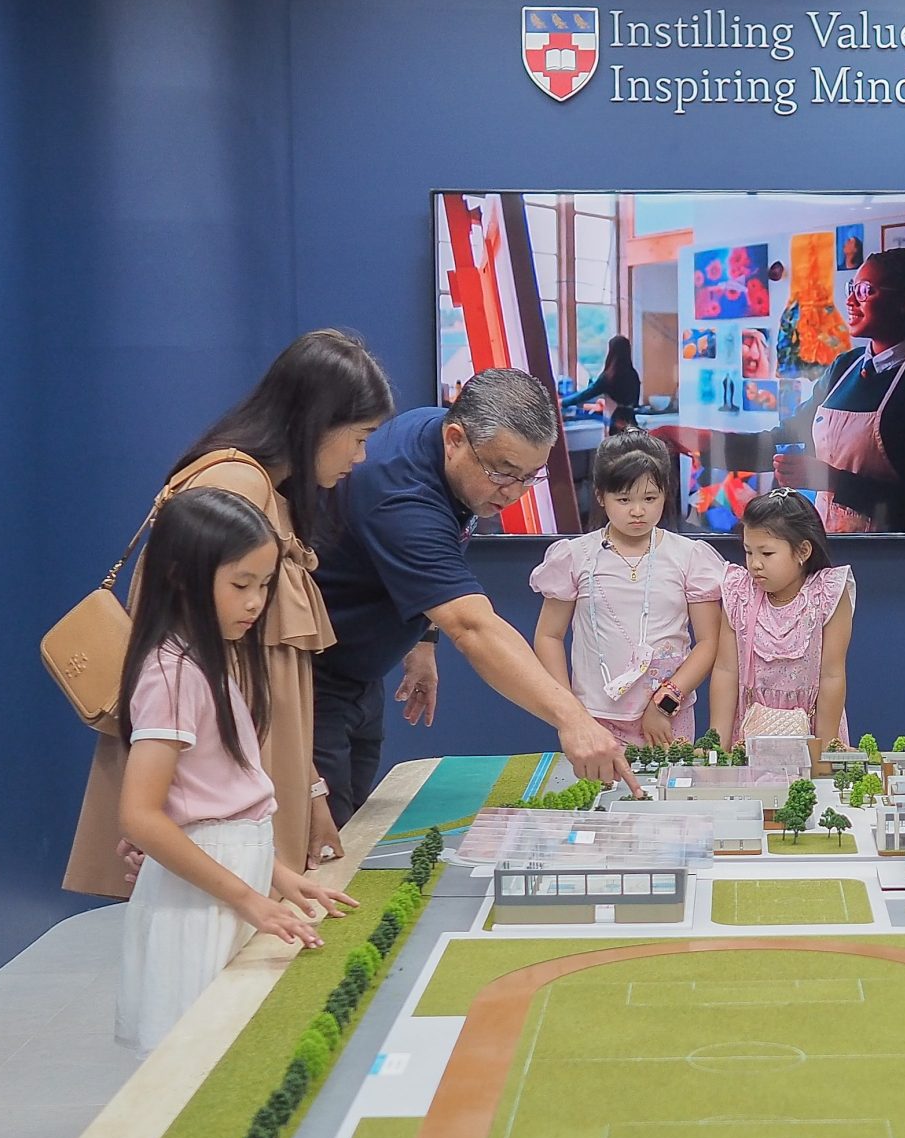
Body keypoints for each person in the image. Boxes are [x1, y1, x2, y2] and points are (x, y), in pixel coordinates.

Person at [69, 330, 393, 894]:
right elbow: (207, 676)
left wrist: (310, 788)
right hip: (228, 792)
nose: (360, 457)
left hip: (256, 769)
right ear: (318, 421)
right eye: (359, 437)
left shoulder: (264, 488)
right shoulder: (234, 486)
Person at [311, 369, 633, 824]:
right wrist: (574, 719)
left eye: (530, 477)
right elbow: (472, 626)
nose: (515, 493)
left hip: (360, 675)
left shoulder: (443, 438)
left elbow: (416, 567)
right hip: (313, 679)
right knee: (325, 838)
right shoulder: (401, 496)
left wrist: (423, 639)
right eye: (503, 473)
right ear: (455, 440)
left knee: (351, 820)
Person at [113, 489, 354, 1055]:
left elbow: (216, 800)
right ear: (181, 577)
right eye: (240, 584)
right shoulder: (171, 673)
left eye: (264, 585)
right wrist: (247, 897)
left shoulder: (207, 660)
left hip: (228, 884)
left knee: (228, 1048)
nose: (255, 602)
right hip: (204, 901)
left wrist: (276, 876)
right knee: (197, 1057)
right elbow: (141, 816)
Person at [530, 430, 726, 746]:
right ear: (600, 496)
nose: (637, 511)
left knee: (669, 779)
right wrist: (569, 712)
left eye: (650, 498)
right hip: (592, 717)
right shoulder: (574, 556)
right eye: (623, 500)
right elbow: (549, 635)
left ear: (666, 493)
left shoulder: (689, 556)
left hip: (667, 715)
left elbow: (708, 641)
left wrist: (665, 703)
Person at [770, 247, 905, 533]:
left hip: (889, 553)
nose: (850, 301)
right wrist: (711, 444)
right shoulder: (844, 367)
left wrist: (833, 480)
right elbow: (788, 434)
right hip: (830, 544)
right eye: (852, 288)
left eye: (865, 291)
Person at [711, 488, 855, 749]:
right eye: (748, 552)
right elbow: (725, 670)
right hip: (750, 732)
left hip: (813, 731)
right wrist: (717, 746)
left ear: (803, 551)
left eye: (766, 554)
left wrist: (825, 750)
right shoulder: (738, 591)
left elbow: (832, 675)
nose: (755, 564)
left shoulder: (828, 592)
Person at [579, 336, 641, 431]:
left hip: (617, 420)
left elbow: (587, 393)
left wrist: (564, 402)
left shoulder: (609, 376)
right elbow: (635, 402)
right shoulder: (633, 374)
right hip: (631, 419)